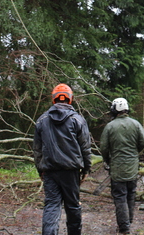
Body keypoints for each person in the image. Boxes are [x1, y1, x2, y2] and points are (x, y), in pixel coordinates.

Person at [33, 83, 92, 235]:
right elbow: (85, 147)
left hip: (50, 170)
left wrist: (40, 169)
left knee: (52, 205)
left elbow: (37, 149)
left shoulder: (41, 120)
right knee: (73, 206)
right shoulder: (77, 120)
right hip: (70, 171)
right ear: (70, 98)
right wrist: (86, 168)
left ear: (54, 99)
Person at [100, 98, 144, 235]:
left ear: (115, 110)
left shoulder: (110, 126)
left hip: (117, 167)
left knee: (120, 196)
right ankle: (129, 221)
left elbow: (104, 147)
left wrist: (107, 160)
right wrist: (134, 153)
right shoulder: (136, 124)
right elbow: (143, 142)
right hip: (132, 166)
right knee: (131, 194)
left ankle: (124, 227)